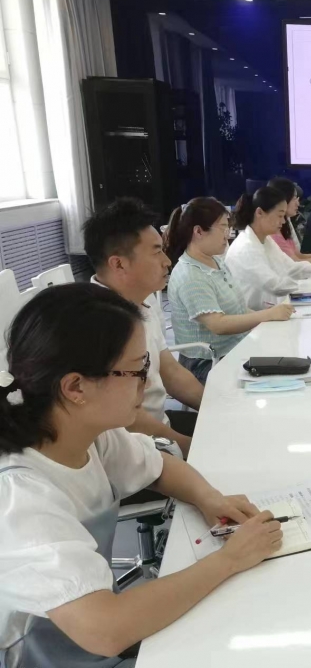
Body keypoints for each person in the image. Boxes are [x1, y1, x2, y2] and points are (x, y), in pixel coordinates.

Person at [0, 284, 283, 667]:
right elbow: (105, 630)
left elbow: (161, 466)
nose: (147, 383)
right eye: (137, 370)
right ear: (76, 387)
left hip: (90, 637)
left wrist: (210, 499)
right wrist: (230, 559)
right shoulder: (19, 495)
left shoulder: (90, 436)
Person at [82, 198, 204, 457]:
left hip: (160, 426)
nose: (167, 261)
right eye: (156, 251)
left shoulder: (142, 299)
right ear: (119, 264)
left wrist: (216, 406)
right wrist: (188, 446)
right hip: (131, 450)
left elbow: (170, 371)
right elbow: (127, 417)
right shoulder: (96, 325)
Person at [165, 197, 294, 384]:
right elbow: (218, 325)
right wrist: (267, 315)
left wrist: (267, 318)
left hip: (235, 348)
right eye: (223, 227)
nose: (228, 234)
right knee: (279, 378)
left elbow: (238, 308)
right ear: (198, 231)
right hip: (208, 363)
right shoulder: (190, 275)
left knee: (287, 353)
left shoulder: (215, 261)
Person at [226, 187, 311, 311]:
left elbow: (291, 267)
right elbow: (275, 286)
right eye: (280, 215)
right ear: (260, 213)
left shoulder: (266, 240)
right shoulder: (246, 247)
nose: (283, 221)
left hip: (273, 307)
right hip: (256, 315)